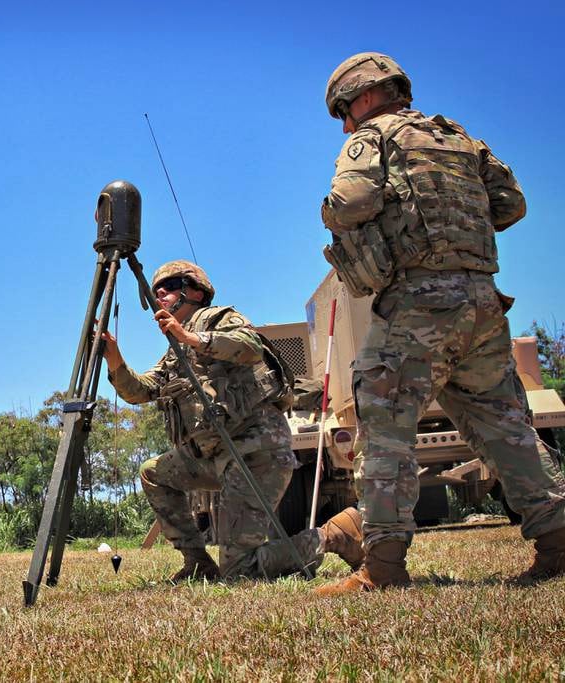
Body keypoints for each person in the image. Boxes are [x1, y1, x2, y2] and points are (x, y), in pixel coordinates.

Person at [317, 52, 565, 594]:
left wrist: (335, 216)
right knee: (507, 428)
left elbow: (350, 199)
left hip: (418, 304)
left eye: (344, 110)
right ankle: (558, 544)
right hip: (482, 303)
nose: (344, 124)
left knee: (384, 428)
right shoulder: (459, 138)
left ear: (363, 96)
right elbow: (512, 203)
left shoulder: (373, 137)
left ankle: (381, 568)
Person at [101, 259, 364, 581]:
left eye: (168, 288)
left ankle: (335, 534)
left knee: (240, 570)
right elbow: (141, 391)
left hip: (255, 454)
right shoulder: (174, 354)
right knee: (153, 472)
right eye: (156, 292)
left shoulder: (217, 318)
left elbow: (251, 346)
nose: (160, 296)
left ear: (195, 292)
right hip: (214, 459)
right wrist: (113, 358)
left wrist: (193, 338)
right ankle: (197, 563)